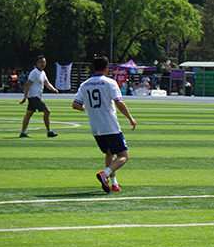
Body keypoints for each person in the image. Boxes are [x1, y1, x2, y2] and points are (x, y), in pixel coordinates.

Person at [72, 56, 137, 193]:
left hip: (96, 127)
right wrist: (130, 118)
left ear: (93, 68)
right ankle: (105, 174)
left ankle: (114, 184)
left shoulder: (85, 84)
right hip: (109, 125)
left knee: (109, 153)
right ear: (106, 68)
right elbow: (119, 102)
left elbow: (75, 105)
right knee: (124, 156)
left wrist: (87, 109)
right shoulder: (110, 82)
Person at [19, 55, 59, 138]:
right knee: (47, 111)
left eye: (44, 62)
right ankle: (49, 132)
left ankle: (23, 133)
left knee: (28, 114)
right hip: (34, 97)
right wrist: (25, 97)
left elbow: (47, 83)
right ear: (37, 63)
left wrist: (54, 89)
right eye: (41, 62)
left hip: (36, 97)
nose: (43, 64)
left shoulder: (42, 73)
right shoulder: (34, 72)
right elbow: (28, 84)